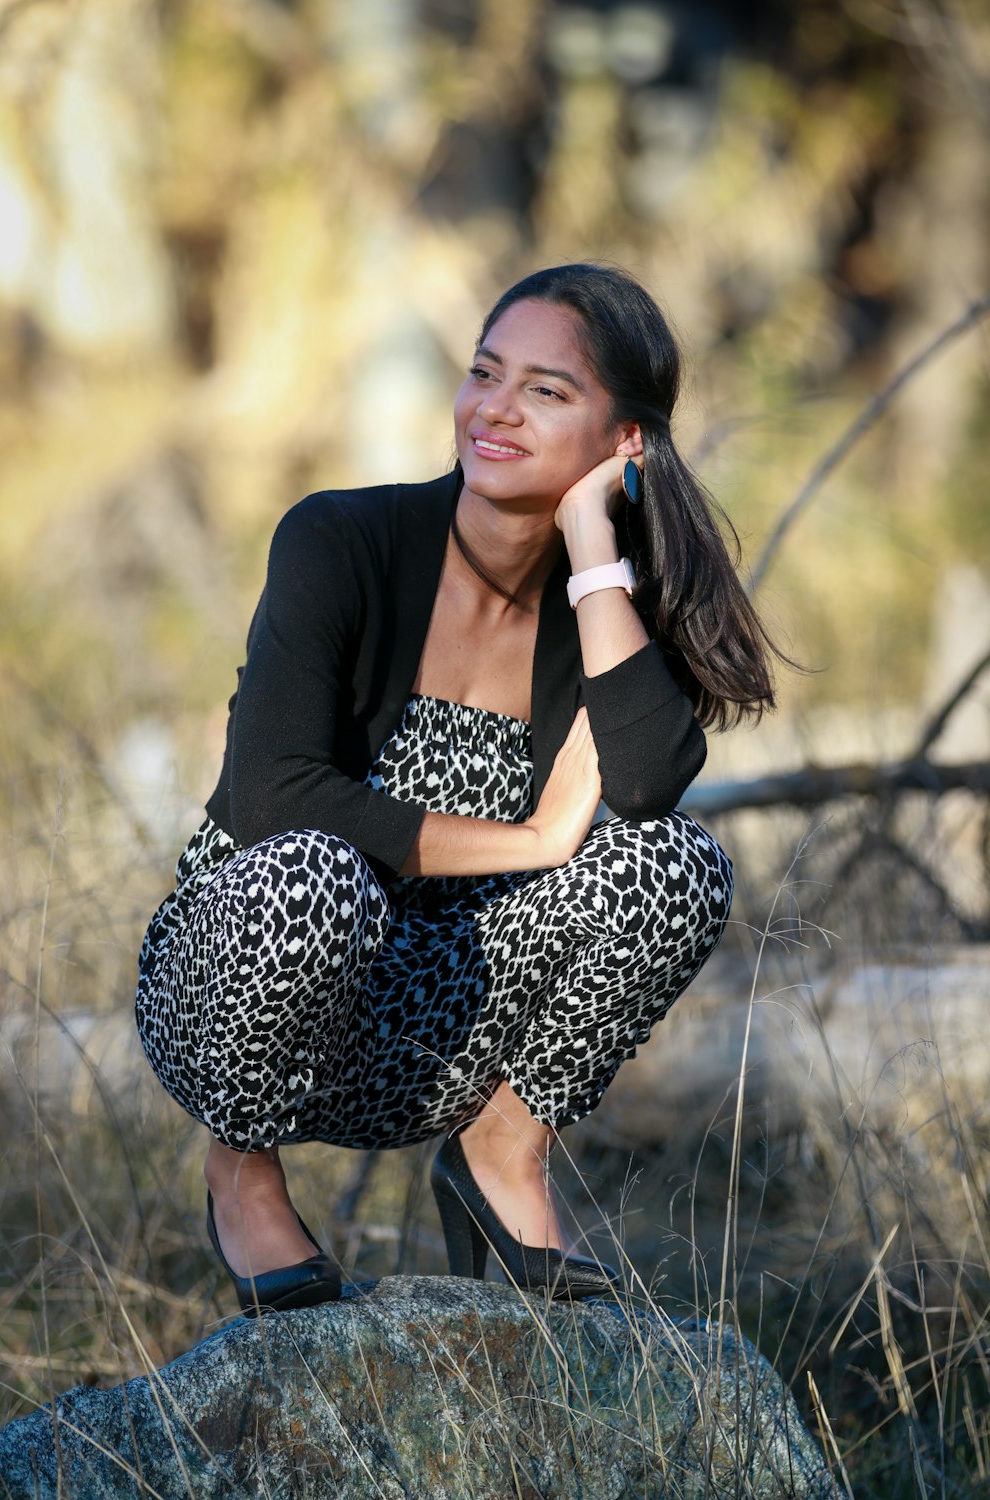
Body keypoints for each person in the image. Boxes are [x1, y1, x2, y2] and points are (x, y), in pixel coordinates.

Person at [135, 263, 779, 1317]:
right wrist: (528, 840)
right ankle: (239, 1170)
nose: (495, 409)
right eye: (486, 372)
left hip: (440, 1029)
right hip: (244, 1002)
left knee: (680, 866)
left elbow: (654, 786)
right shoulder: (341, 540)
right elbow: (273, 804)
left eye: (547, 390)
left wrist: (590, 550)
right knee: (306, 873)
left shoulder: (600, 607)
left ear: (626, 442)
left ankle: (499, 1153)